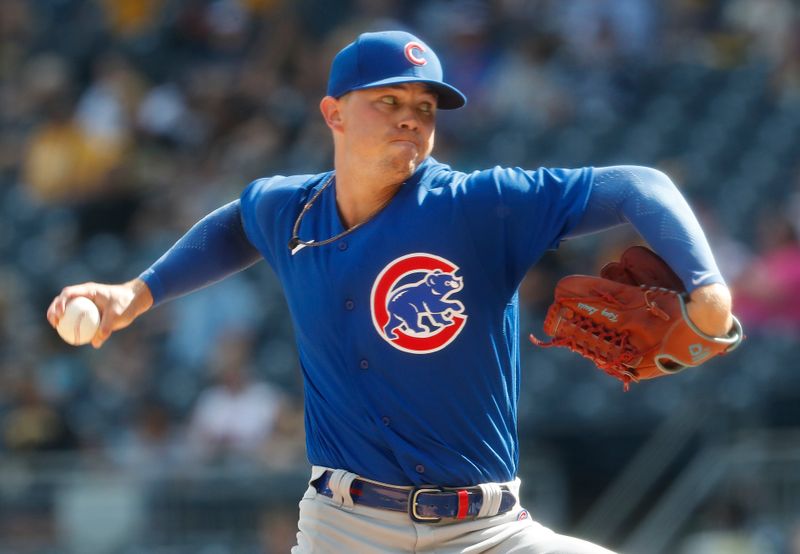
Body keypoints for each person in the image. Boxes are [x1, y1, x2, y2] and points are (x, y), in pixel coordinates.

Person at [47, 30, 738, 553]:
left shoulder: (476, 205)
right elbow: (236, 225)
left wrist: (706, 286)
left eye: (424, 106)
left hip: (487, 532)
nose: (412, 116)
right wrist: (133, 294)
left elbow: (637, 185)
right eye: (389, 101)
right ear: (333, 114)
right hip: (343, 530)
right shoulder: (288, 212)